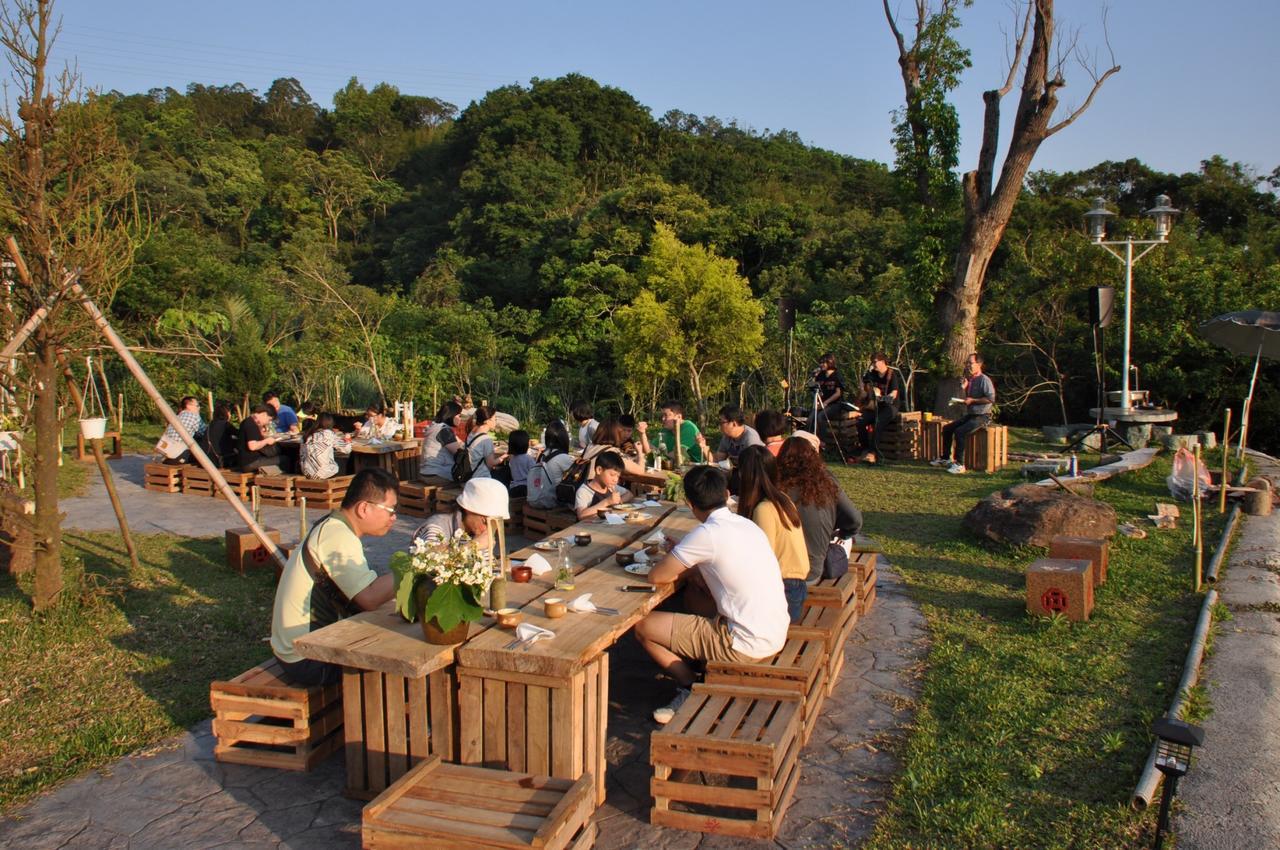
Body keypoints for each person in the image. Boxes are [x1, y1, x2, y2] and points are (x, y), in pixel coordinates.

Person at [633, 465, 790, 724]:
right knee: (692, 597)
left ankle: (689, 684)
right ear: (727, 494)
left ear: (690, 503)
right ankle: (699, 659)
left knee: (642, 626)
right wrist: (686, 556)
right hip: (775, 628)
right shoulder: (746, 524)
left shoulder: (706, 533)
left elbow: (657, 576)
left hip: (743, 643)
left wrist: (681, 559)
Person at [270, 469, 398, 686]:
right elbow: (369, 598)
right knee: (394, 668)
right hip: (307, 658)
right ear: (364, 508)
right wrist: (416, 566)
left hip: (300, 647)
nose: (394, 518)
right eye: (390, 510)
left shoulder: (334, 526)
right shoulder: (338, 536)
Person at [736, 446, 810, 623]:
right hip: (795, 586)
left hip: (784, 593)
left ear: (744, 475)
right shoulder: (782, 499)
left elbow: (762, 562)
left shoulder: (764, 509)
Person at [777, 436, 864, 582]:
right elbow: (854, 520)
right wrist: (842, 534)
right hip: (813, 569)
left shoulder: (775, 487)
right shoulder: (826, 483)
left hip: (780, 570)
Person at [933, 352, 996, 475]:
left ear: (979, 364)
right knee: (947, 429)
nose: (967, 365)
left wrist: (973, 400)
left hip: (983, 416)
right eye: (966, 363)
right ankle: (945, 458)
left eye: (970, 363)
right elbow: (969, 399)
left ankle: (960, 464)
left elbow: (991, 399)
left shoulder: (985, 380)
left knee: (960, 431)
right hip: (971, 415)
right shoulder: (971, 379)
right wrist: (965, 389)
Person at [412, 477, 510, 552]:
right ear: (468, 509)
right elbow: (430, 562)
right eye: (485, 521)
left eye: (495, 523)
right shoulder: (437, 526)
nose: (488, 529)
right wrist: (473, 546)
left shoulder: (475, 531)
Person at [859, 352, 906, 465]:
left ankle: (873, 453)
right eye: (873, 362)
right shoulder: (872, 374)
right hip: (875, 406)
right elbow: (863, 382)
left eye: (875, 361)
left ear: (882, 362)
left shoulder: (891, 374)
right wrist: (865, 390)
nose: (873, 364)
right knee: (860, 422)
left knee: (878, 422)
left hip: (890, 406)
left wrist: (885, 398)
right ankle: (865, 449)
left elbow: (894, 393)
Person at [527, 420, 575, 509]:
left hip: (538, 496)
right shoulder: (563, 457)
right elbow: (576, 474)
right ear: (564, 438)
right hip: (552, 500)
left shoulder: (543, 454)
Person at [574, 451, 633, 519]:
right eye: (612, 475)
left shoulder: (611, 487)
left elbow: (629, 494)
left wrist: (617, 502)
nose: (615, 479)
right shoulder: (584, 491)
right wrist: (607, 502)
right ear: (599, 470)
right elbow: (581, 515)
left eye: (618, 476)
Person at [237, 404, 291, 472]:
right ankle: (274, 478)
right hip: (250, 462)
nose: (268, 422)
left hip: (247, 461)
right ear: (264, 414)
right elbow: (252, 446)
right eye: (269, 420)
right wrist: (267, 441)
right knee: (285, 459)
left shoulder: (248, 421)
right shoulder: (251, 424)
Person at [419, 401, 464, 480]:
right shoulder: (444, 430)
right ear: (451, 415)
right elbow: (459, 452)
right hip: (437, 474)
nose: (461, 419)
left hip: (427, 472)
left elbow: (459, 443)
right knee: (469, 483)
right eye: (459, 416)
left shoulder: (437, 427)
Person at [300, 413, 353, 479]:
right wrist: (348, 439)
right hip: (323, 473)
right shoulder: (328, 434)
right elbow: (347, 450)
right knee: (342, 460)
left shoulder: (306, 435)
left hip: (307, 472)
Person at [459, 406, 506, 481]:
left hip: (467, 477)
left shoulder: (472, 433)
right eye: (495, 419)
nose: (495, 422)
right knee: (506, 474)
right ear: (487, 421)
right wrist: (505, 455)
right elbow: (491, 464)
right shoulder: (486, 439)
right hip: (480, 479)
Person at [160, 396, 206, 465]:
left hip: (166, 457)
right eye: (197, 405)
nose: (199, 408)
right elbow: (205, 433)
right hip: (178, 458)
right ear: (188, 406)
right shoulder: (194, 416)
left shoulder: (176, 417)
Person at [201, 402, 237, 469]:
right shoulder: (226, 425)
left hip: (208, 460)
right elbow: (239, 434)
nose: (230, 415)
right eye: (229, 413)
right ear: (226, 413)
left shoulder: (210, 425)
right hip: (220, 461)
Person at [506, 429, 535, 498]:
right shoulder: (528, 458)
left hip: (514, 488)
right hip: (526, 488)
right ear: (525, 444)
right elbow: (535, 471)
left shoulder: (512, 459)